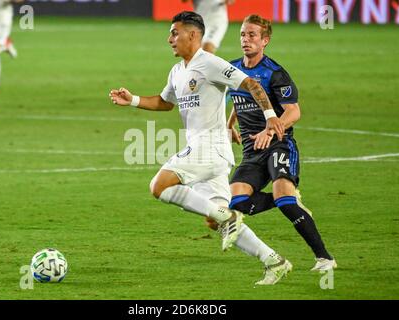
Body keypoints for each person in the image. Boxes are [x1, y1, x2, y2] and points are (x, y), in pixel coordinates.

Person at [110, 11, 292, 285]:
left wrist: (270, 117)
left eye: (175, 32)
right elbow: (165, 102)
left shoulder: (210, 63)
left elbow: (251, 83)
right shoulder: (177, 71)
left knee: (159, 186)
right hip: (208, 154)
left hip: (209, 148)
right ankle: (274, 261)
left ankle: (226, 215)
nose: (169, 38)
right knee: (214, 219)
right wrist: (133, 100)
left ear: (193, 35)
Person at [223, 14, 337, 271]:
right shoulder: (232, 68)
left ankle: (324, 258)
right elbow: (238, 98)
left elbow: (294, 112)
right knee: (236, 202)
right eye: (243, 34)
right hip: (252, 151)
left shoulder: (275, 73)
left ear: (265, 41)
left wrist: (270, 131)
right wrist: (229, 124)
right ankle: (290, 199)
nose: (246, 39)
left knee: (284, 199)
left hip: (278, 145)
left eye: (252, 35)